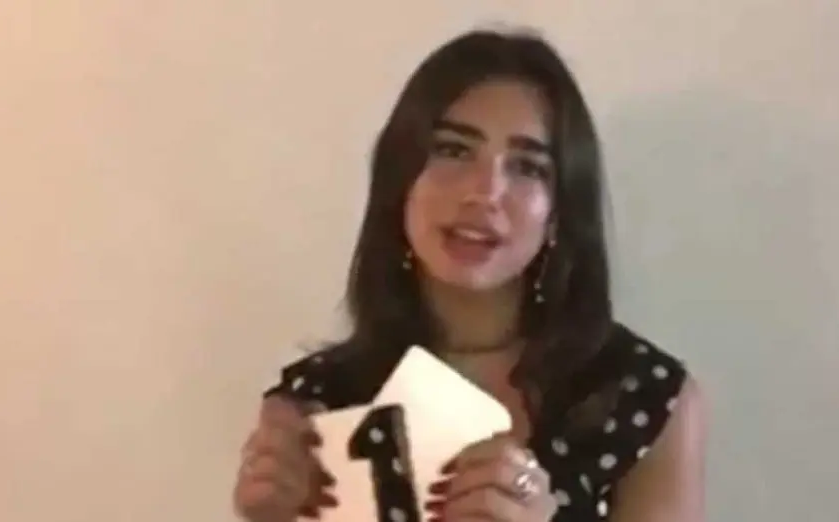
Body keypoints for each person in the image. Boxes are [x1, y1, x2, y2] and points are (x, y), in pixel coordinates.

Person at [232, 28, 707, 522]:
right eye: (453, 150)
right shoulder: (317, 401)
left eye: (527, 167)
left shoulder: (642, 398)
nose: (485, 192)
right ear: (400, 180)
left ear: (559, 212)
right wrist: (269, 515)